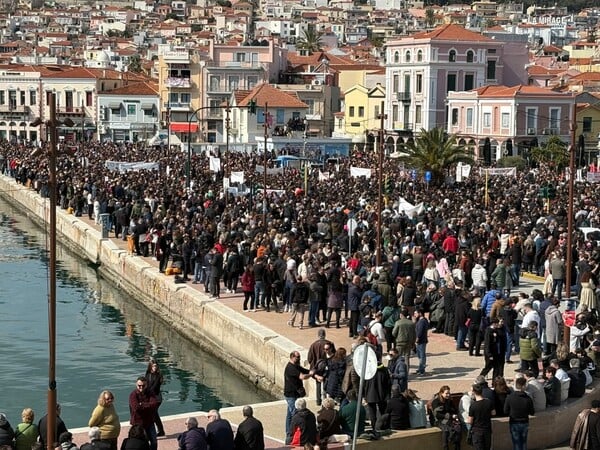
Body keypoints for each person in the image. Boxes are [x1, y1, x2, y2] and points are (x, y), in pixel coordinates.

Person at [284, 351, 317, 444]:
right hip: (291, 395)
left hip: (294, 394)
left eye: (299, 357)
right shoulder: (290, 368)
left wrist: (313, 373)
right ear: (292, 357)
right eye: (297, 357)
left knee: (289, 415)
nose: (299, 359)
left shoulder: (296, 366)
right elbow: (302, 376)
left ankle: (288, 433)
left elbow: (304, 370)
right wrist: (311, 374)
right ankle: (291, 435)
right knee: (295, 415)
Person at [129, 376, 159, 450]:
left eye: (143, 385)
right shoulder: (133, 395)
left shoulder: (150, 393)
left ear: (146, 385)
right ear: (136, 385)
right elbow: (136, 408)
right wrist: (148, 405)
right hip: (138, 424)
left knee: (154, 441)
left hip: (149, 422)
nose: (141, 387)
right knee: (141, 443)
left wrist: (141, 404)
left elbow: (155, 404)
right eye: (139, 385)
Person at [504, 377, 535, 450]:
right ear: (524, 386)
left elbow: (505, 411)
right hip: (524, 422)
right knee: (523, 442)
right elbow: (532, 412)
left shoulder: (510, 397)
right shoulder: (528, 398)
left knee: (516, 443)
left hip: (514, 422)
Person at [307, 329, 335, 407]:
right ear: (324, 335)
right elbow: (334, 355)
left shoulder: (313, 345)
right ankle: (327, 401)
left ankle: (318, 400)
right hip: (327, 367)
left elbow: (309, 358)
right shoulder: (329, 344)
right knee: (327, 383)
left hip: (317, 368)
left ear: (318, 335)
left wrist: (313, 366)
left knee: (318, 384)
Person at [364, 362, 391, 432]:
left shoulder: (368, 370)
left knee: (372, 413)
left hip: (370, 394)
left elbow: (364, 383)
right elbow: (388, 383)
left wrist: (364, 395)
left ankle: (374, 427)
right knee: (383, 412)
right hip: (382, 394)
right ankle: (384, 426)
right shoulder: (384, 370)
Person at [431, 386, 460, 450]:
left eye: (449, 393)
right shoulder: (436, 402)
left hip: (449, 419)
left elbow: (454, 410)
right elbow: (437, 415)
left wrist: (454, 416)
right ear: (441, 393)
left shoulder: (449, 401)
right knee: (446, 430)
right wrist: (450, 416)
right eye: (446, 393)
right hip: (440, 420)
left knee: (457, 430)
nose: (448, 395)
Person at [468, 383, 494, 450]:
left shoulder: (473, 406)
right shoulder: (488, 402)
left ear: (474, 392)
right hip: (487, 430)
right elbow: (493, 413)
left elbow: (470, 421)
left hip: (477, 431)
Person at [145, 359, 165, 437]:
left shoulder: (159, 375)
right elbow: (145, 384)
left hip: (157, 398)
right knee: (154, 415)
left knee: (152, 414)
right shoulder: (147, 374)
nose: (155, 367)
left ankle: (151, 432)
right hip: (150, 397)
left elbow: (155, 386)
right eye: (153, 366)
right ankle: (161, 431)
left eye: (156, 366)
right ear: (150, 366)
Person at [392, 307, 416, 371]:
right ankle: (406, 373)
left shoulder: (398, 322)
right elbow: (414, 334)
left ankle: (398, 370)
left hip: (400, 342)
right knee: (407, 358)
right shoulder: (411, 323)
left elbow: (394, 333)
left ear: (401, 315)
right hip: (408, 343)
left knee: (398, 357)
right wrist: (413, 343)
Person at [414, 307, 429, 376]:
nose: (414, 314)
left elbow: (420, 331)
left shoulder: (422, 321)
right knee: (420, 355)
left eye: (416, 313)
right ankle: (420, 368)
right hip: (421, 340)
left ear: (420, 313)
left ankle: (422, 369)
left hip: (421, 340)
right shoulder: (421, 320)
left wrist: (417, 338)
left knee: (422, 355)